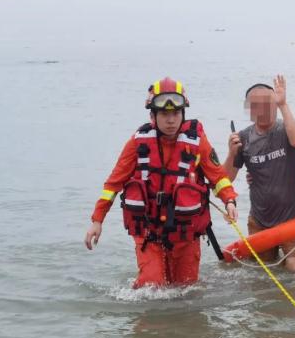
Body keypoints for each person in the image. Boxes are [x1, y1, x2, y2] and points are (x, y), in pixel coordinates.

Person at [84, 77, 238, 288]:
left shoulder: (197, 142)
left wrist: (229, 200)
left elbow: (218, 177)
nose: (171, 120)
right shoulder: (138, 142)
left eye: (175, 113)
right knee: (151, 287)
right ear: (152, 115)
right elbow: (114, 183)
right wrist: (97, 220)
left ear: (183, 114)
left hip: (186, 234)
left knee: (187, 290)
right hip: (149, 232)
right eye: (164, 114)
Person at [223, 75, 295, 272]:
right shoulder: (243, 137)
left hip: (293, 219)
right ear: (248, 108)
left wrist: (283, 104)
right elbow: (225, 179)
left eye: (268, 103)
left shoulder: (287, 127)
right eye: (256, 105)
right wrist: (231, 153)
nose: (262, 110)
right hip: (260, 220)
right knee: (261, 271)